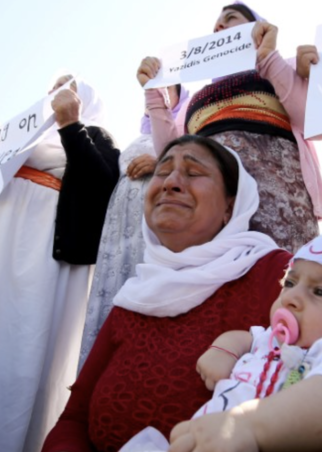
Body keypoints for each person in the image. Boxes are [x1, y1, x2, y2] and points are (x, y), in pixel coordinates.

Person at [42, 135, 292, 451]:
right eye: (162, 172)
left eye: (193, 172)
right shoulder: (137, 295)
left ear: (231, 205)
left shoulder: (280, 276)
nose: (170, 183)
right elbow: (73, 421)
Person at [0, 76, 119, 452]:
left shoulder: (96, 136)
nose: (59, 90)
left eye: (70, 84)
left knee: (17, 338)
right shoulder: (17, 135)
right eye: (55, 84)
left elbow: (100, 185)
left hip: (35, 249)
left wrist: (71, 126)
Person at [137, 2, 321, 253]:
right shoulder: (196, 99)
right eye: (215, 23)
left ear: (256, 26)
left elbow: (311, 122)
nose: (218, 26)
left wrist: (268, 58)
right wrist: (154, 94)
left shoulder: (284, 66)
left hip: (278, 208)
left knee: (277, 283)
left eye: (231, 17)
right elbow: (168, 150)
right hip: (210, 213)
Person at [119, 234, 322, 452]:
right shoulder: (269, 337)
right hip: (208, 435)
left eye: (319, 291)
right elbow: (245, 337)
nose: (290, 297)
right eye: (290, 283)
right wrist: (224, 349)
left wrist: (247, 426)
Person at [78, 84, 189, 370]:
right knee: (113, 291)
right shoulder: (138, 136)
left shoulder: (185, 131)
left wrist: (162, 163)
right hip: (118, 227)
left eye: (167, 88)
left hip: (153, 222)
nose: (158, 93)